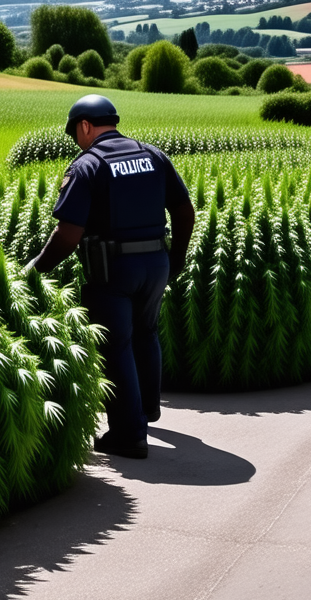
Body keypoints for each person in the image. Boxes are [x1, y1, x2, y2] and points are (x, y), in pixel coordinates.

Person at [26, 95, 196, 459]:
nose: (77, 140)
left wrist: (32, 272)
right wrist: (176, 259)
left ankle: (129, 434)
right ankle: (147, 410)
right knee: (146, 333)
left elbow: (68, 234)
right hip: (156, 264)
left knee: (115, 344)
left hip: (113, 270)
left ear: (85, 126)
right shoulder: (152, 155)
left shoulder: (87, 165)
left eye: (76, 133)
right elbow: (184, 211)